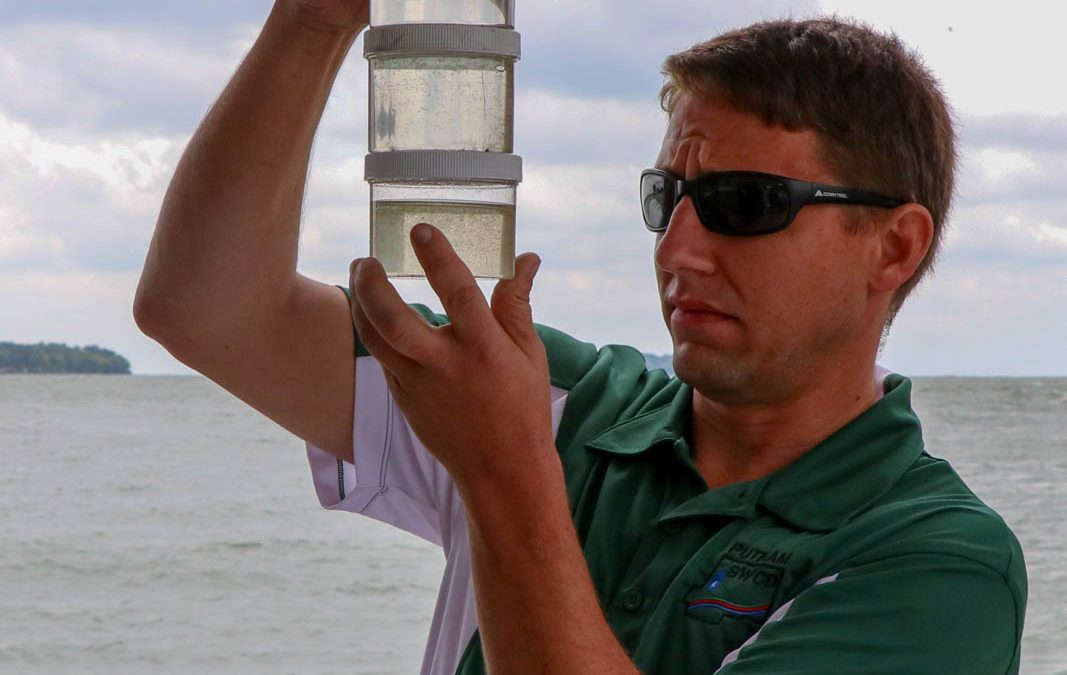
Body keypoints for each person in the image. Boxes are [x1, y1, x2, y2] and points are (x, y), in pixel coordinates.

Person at [134, 1, 1027, 673]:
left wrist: (504, 471)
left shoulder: (937, 564)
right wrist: (313, 23)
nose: (677, 249)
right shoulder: (560, 404)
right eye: (665, 198)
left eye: (744, 203)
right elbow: (207, 310)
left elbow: (504, 449)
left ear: (893, 246)